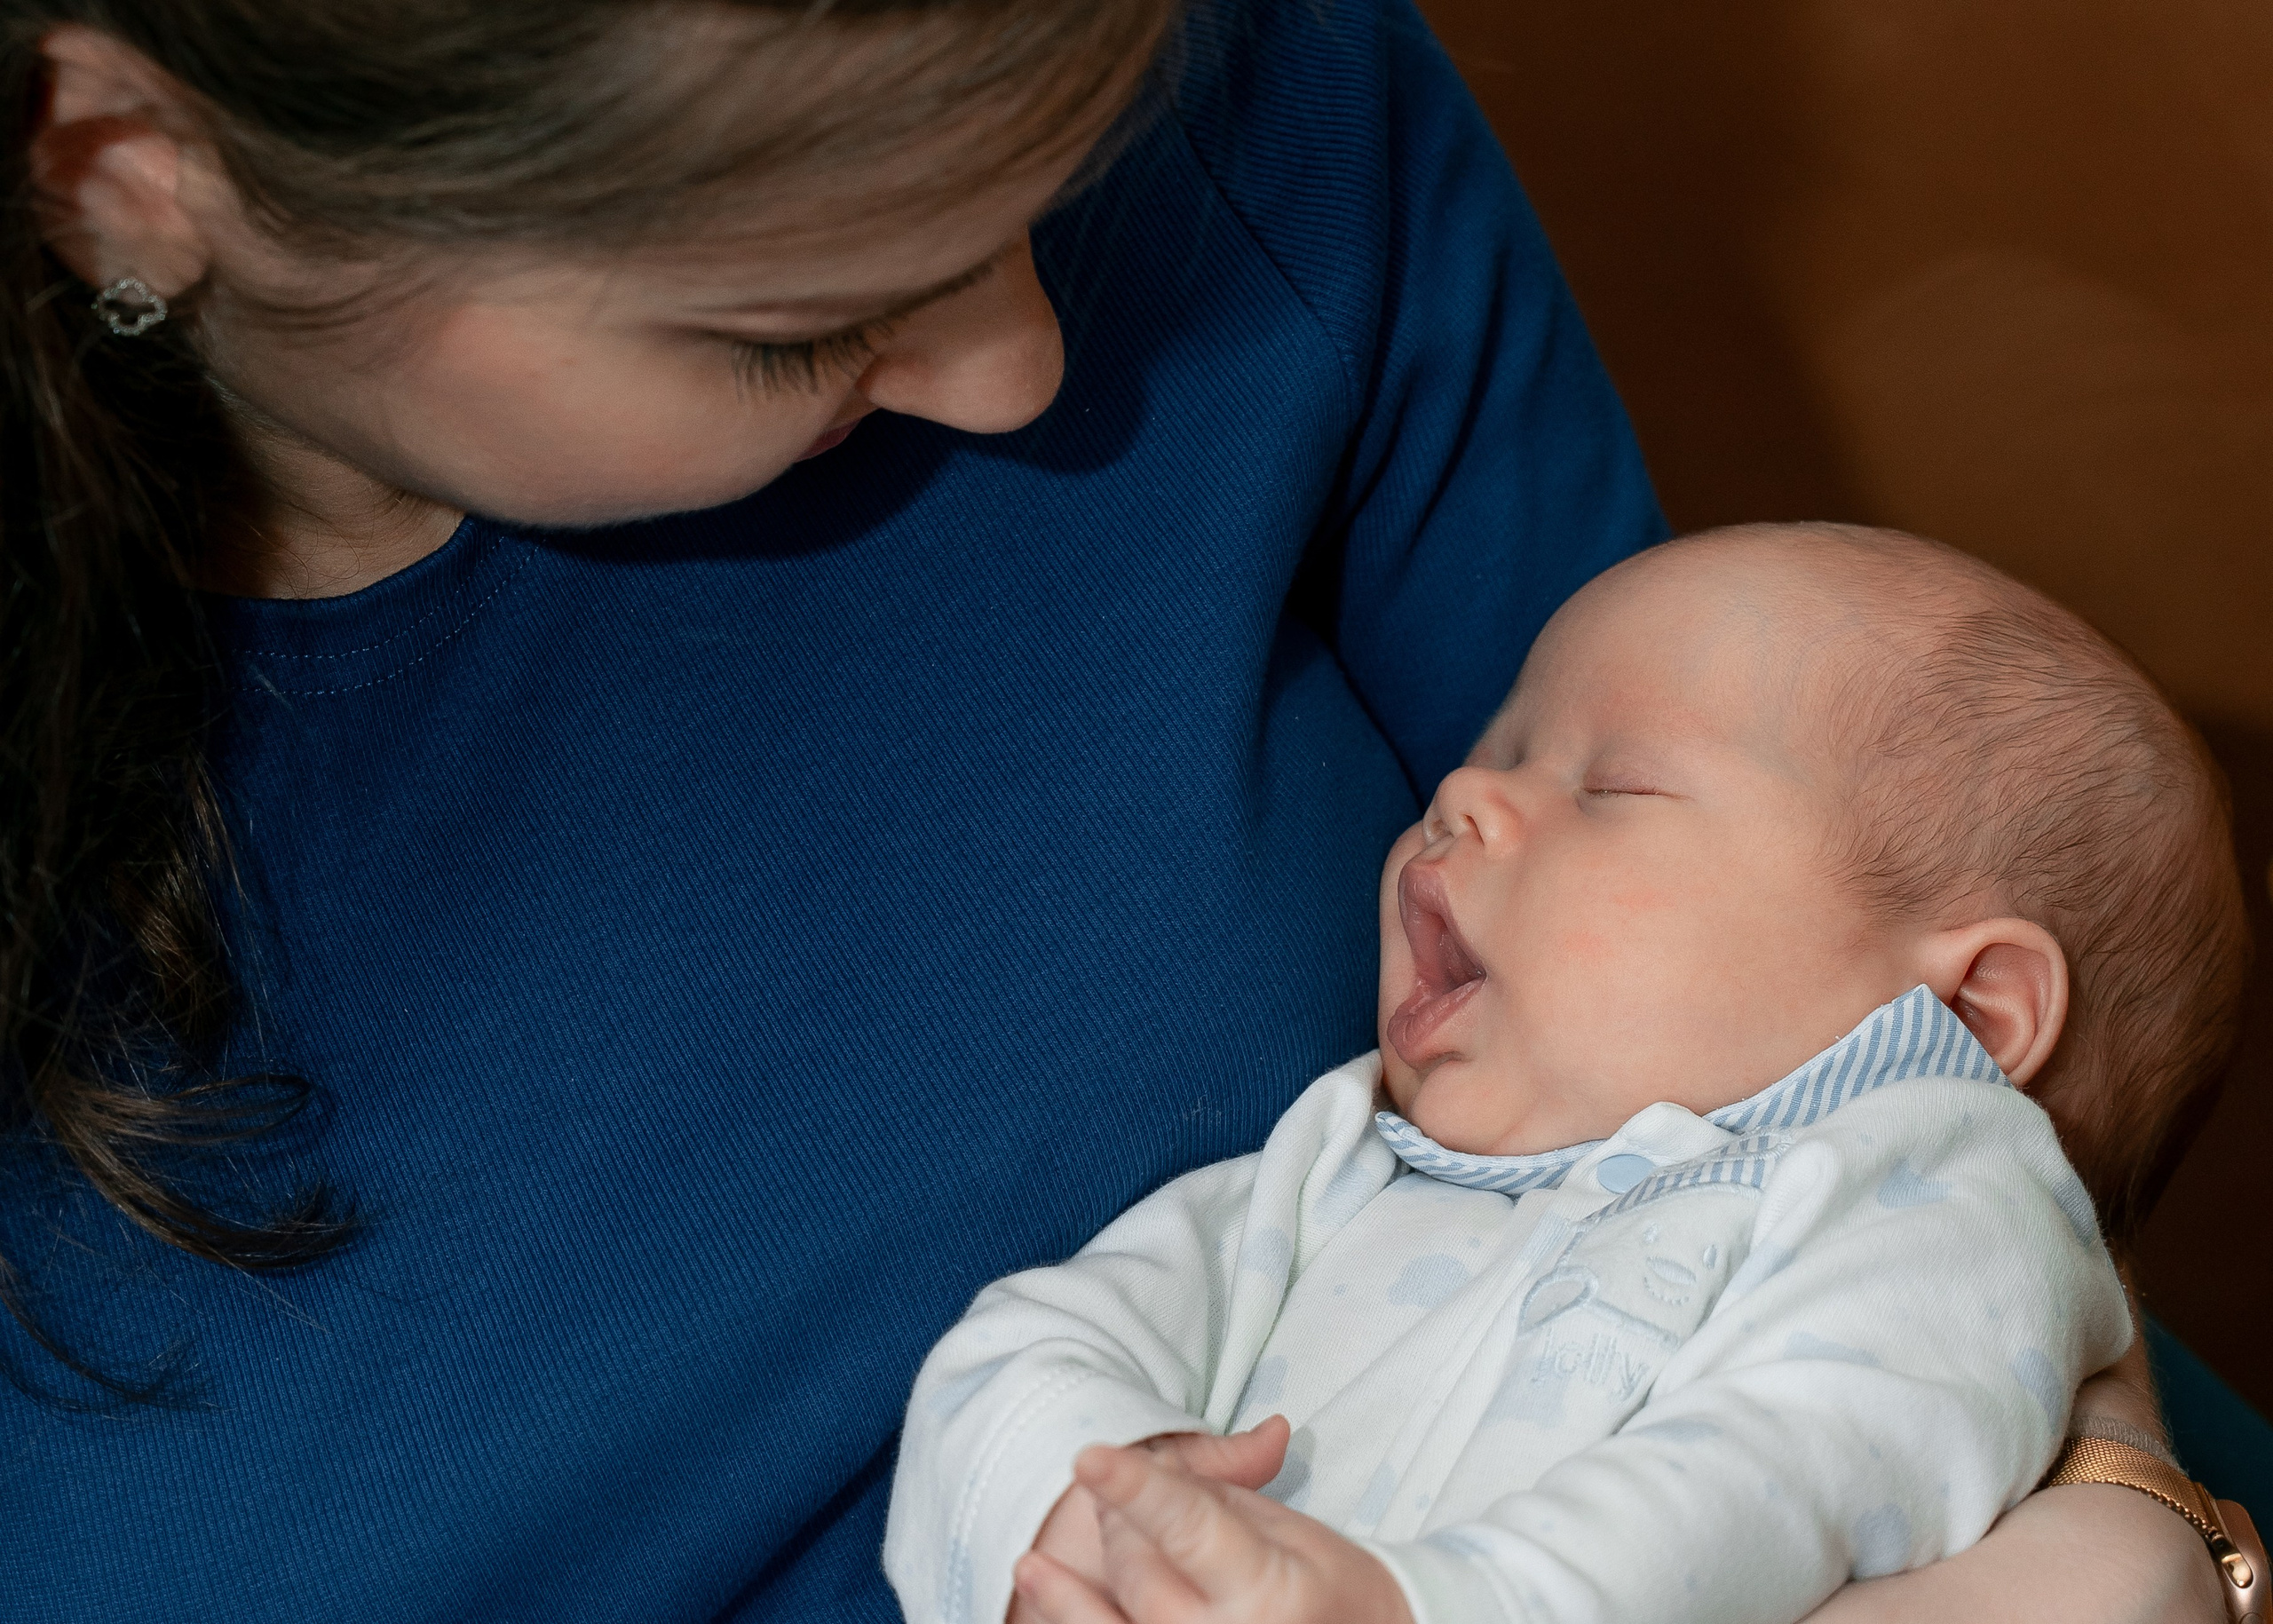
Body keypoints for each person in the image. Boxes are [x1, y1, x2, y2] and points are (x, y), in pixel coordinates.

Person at [0, 1, 2231, 1619]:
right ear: (121, 172)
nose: (1026, 380)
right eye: (801, 321)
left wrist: (2145, 1531)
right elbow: (1054, 1360)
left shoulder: (1269, 91)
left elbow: (1862, 1025)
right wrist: (1064, 1516)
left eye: (1067, 165)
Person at [884, 525, 2246, 1624]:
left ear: (1970, 1013)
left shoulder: (1928, 1209)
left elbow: (1767, 1479)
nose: (1462, 797)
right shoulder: (1332, 1164)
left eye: (1618, 788)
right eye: (1495, 747)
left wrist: (1424, 1603)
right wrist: (1085, 1517)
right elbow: (1020, 1346)